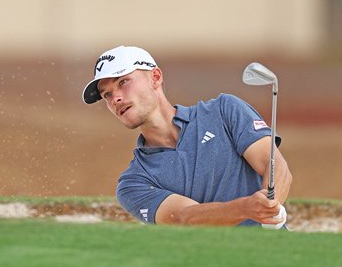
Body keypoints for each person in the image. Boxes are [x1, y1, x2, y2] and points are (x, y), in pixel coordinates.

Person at [82, 45, 293, 227]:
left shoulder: (224, 111)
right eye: (106, 94)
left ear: (155, 78)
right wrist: (247, 209)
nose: (115, 98)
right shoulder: (134, 182)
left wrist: (271, 205)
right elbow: (185, 218)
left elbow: (272, 164)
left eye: (123, 82)